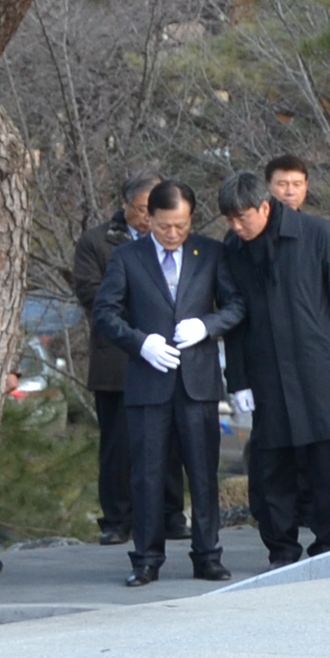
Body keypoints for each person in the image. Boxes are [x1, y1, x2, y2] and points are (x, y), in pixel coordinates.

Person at [90, 180, 245, 586]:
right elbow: (105, 313)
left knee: (203, 473)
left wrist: (207, 326)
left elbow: (236, 305)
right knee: (147, 474)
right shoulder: (127, 257)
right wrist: (140, 343)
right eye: (164, 226)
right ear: (148, 219)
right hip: (149, 379)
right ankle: (146, 558)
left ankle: (207, 555)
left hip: (197, 380)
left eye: (181, 225)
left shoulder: (210, 252)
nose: (173, 234)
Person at [217, 167, 330, 567]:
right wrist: (238, 379)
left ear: (264, 207)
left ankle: (329, 545)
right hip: (265, 371)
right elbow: (234, 317)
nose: (236, 226)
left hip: (319, 366)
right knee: (271, 466)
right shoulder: (233, 248)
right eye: (229, 219)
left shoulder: (317, 234)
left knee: (324, 464)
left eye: (242, 217)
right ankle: (281, 548)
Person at [71, 174, 155, 547]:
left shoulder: (171, 236)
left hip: (163, 354)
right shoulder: (97, 241)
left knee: (166, 442)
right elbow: (90, 292)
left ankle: (167, 514)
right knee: (118, 445)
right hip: (116, 356)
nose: (149, 217)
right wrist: (144, 309)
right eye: (142, 209)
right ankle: (117, 519)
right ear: (125, 205)